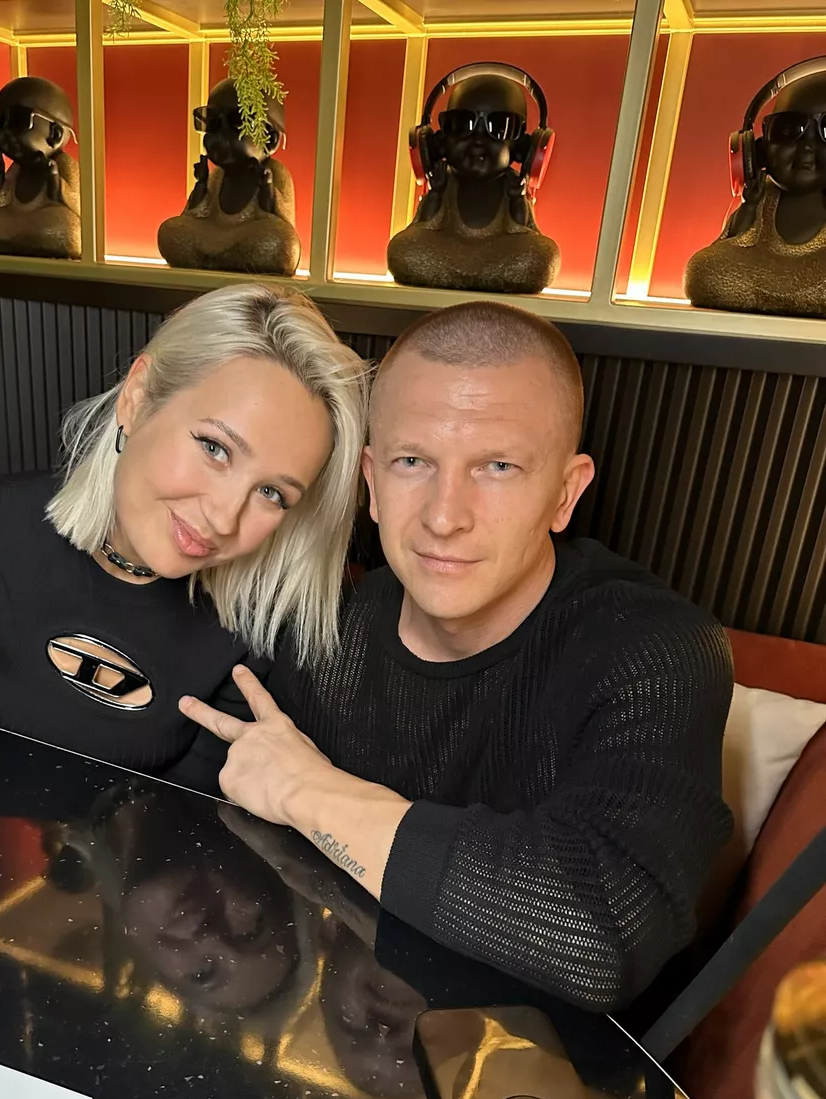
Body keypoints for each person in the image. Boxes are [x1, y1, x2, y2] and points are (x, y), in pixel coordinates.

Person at [180, 300, 734, 1012]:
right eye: (413, 462)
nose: (445, 516)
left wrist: (311, 793)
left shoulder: (653, 649)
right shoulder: (320, 627)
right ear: (373, 483)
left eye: (498, 466)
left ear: (565, 494)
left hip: (546, 1065)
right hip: (338, 1031)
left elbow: (600, 937)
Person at [0, 284, 369, 796]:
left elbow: (185, 818)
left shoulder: (259, 625)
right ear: (137, 398)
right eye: (215, 448)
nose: (223, 517)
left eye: (272, 493)